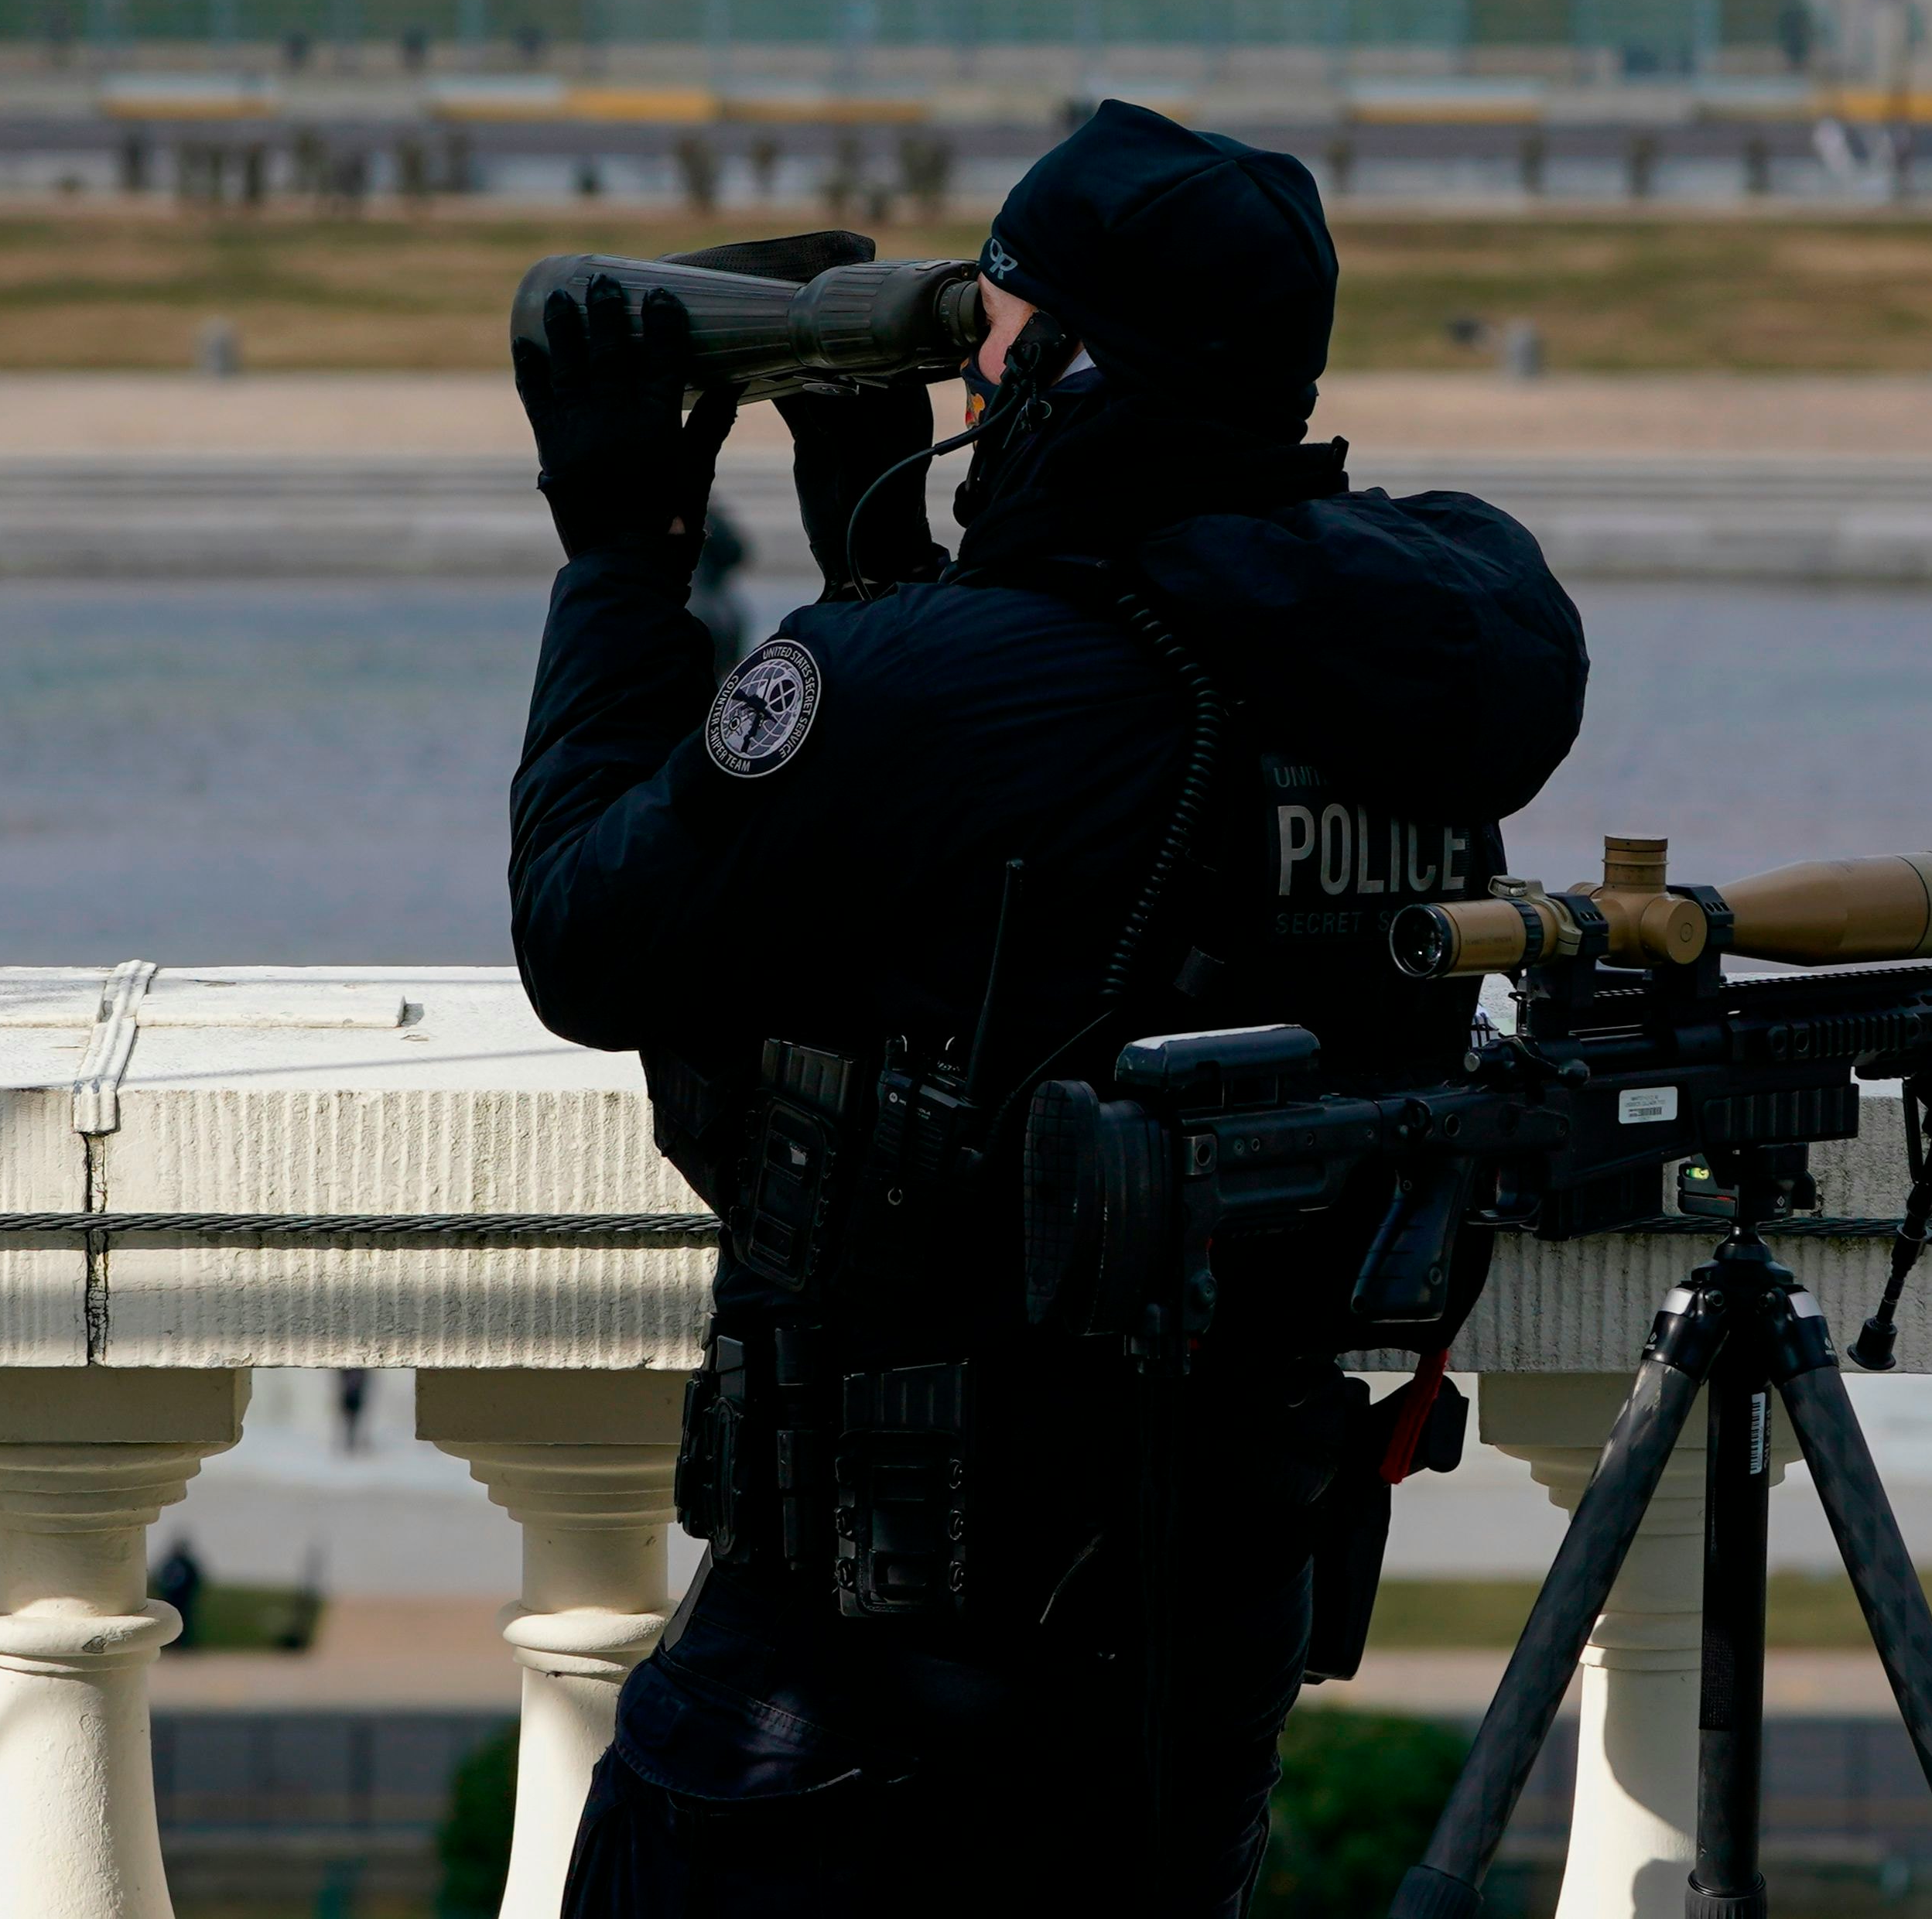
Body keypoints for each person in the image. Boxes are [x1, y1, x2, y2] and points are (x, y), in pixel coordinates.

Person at [506, 102, 1588, 1917]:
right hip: (1185, 1649)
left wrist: (622, 549)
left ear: (1078, 360)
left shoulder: (921, 692)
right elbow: (1034, 882)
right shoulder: (1393, 668)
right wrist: (887, 576)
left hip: (851, 1670)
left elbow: (586, 940)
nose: (968, 375)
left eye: (994, 334)